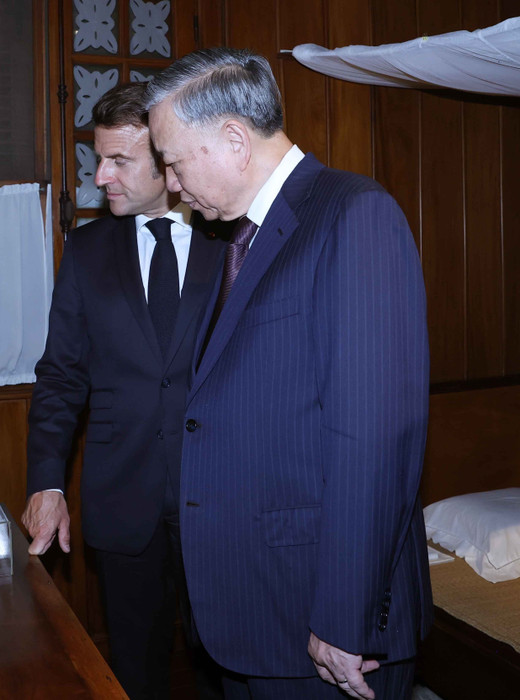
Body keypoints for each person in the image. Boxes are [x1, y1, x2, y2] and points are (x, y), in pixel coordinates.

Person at [145, 48, 432, 700]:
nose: (169, 183)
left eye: (173, 160)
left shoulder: (354, 215)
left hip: (322, 625)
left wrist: (344, 614)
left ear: (234, 140)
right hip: (250, 615)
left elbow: (375, 436)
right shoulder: (235, 240)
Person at [21, 81, 224, 699]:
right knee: (133, 673)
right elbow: (61, 375)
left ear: (167, 166)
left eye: (118, 161)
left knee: (227, 671)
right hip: (122, 503)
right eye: (98, 159)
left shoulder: (232, 241)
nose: (100, 177)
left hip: (219, 503)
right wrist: (48, 484)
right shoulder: (85, 250)